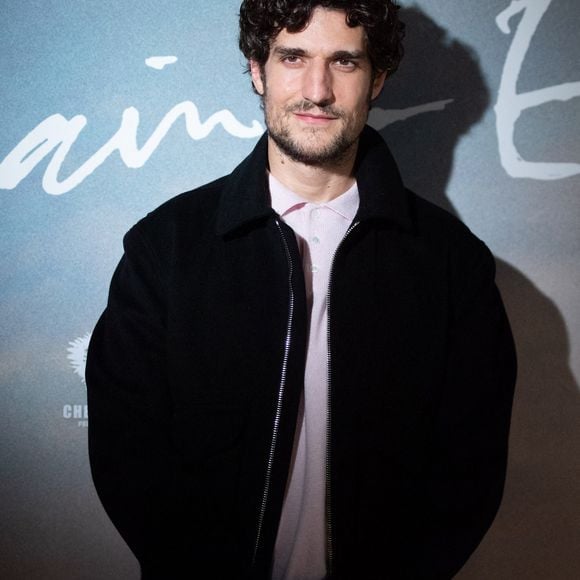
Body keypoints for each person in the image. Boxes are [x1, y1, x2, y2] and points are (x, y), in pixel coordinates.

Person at [86, 1, 517, 578]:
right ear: (258, 70)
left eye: (344, 61)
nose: (318, 90)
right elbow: (127, 455)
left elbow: (469, 471)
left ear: (377, 79)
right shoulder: (165, 247)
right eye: (293, 57)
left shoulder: (451, 265)